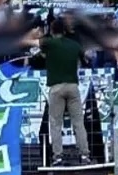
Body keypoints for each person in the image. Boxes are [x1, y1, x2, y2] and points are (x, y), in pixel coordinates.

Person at [37, 13, 90, 165]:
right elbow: (86, 58)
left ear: (52, 31)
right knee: (78, 123)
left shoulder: (49, 43)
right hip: (73, 87)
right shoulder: (74, 45)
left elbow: (36, 47)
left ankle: (58, 156)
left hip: (56, 88)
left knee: (55, 123)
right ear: (64, 31)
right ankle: (85, 155)